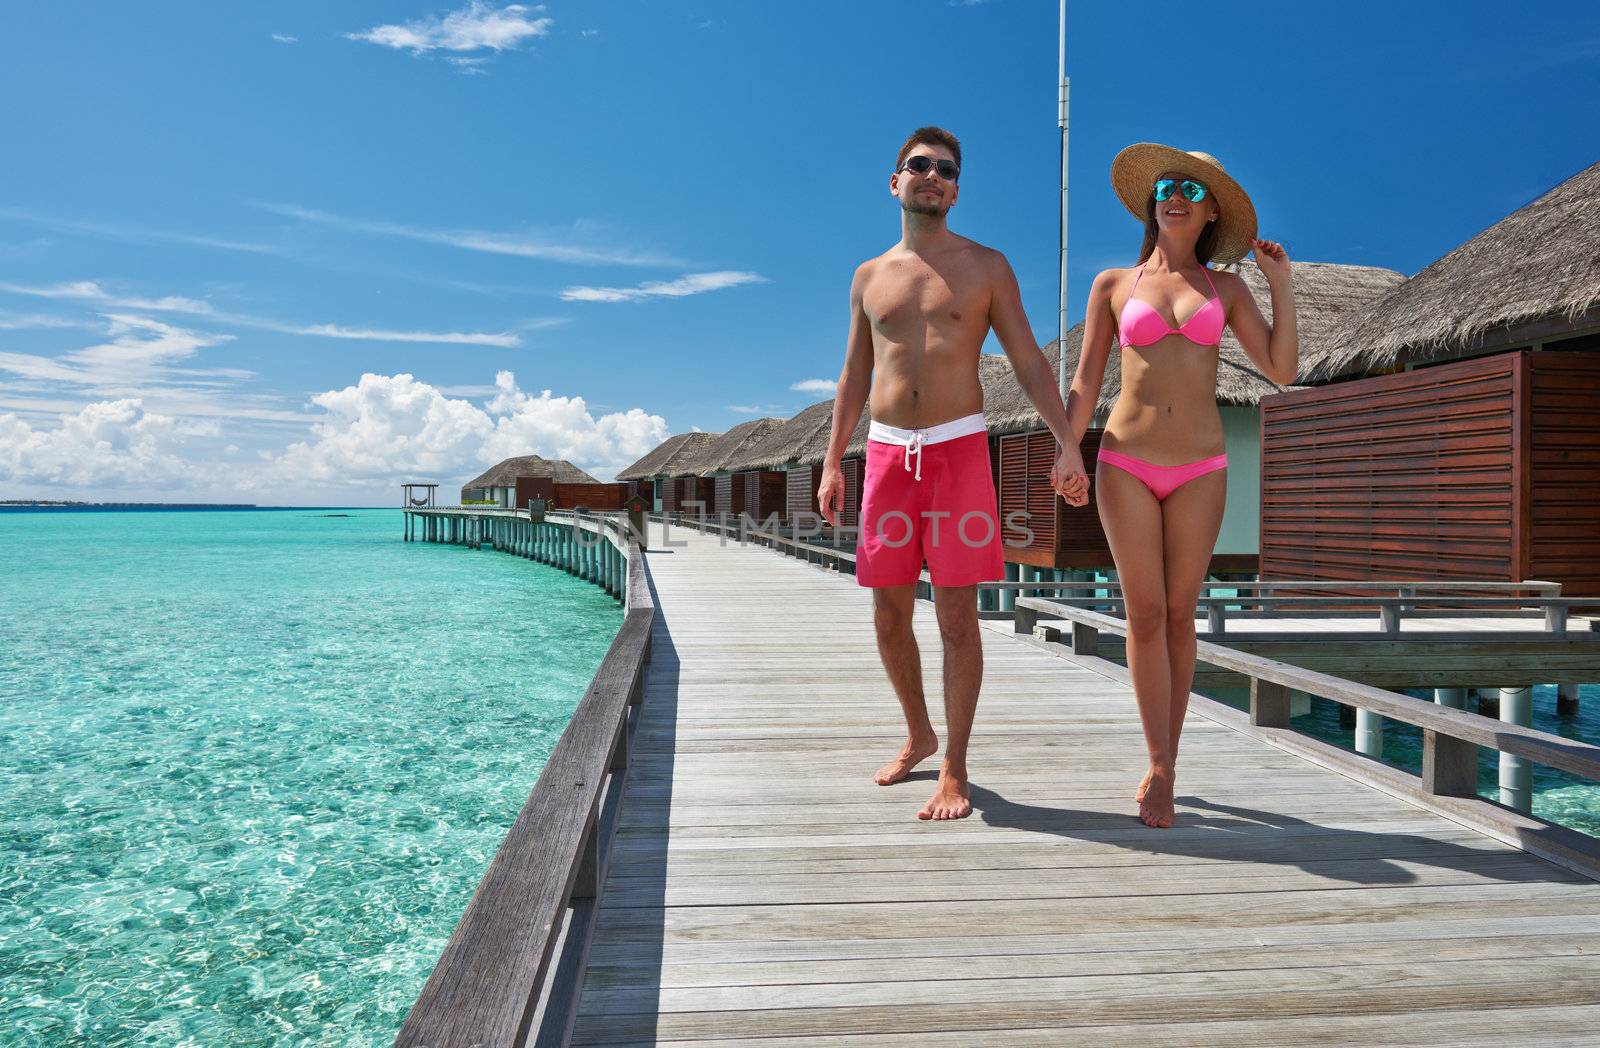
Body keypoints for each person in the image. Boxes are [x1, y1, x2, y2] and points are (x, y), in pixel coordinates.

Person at [818, 126, 1084, 821]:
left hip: (958, 451)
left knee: (958, 619)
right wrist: (830, 460)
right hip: (884, 455)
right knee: (887, 614)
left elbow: (1027, 357)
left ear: (956, 189)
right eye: (919, 165)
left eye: (945, 169)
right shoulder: (868, 277)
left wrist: (1067, 442)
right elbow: (854, 373)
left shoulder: (987, 266)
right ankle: (918, 734)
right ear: (895, 180)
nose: (932, 176)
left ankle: (956, 769)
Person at [1064, 144, 1297, 828]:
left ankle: (1168, 763)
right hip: (1125, 460)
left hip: (1200, 465)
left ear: (1211, 210)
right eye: (1167, 185)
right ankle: (1158, 764)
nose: (1176, 195)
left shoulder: (1225, 289)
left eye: (1192, 189)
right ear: (1151, 200)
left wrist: (1279, 284)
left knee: (1177, 614)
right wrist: (1063, 451)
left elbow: (1281, 370)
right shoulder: (1113, 283)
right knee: (1142, 614)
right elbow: (1085, 381)